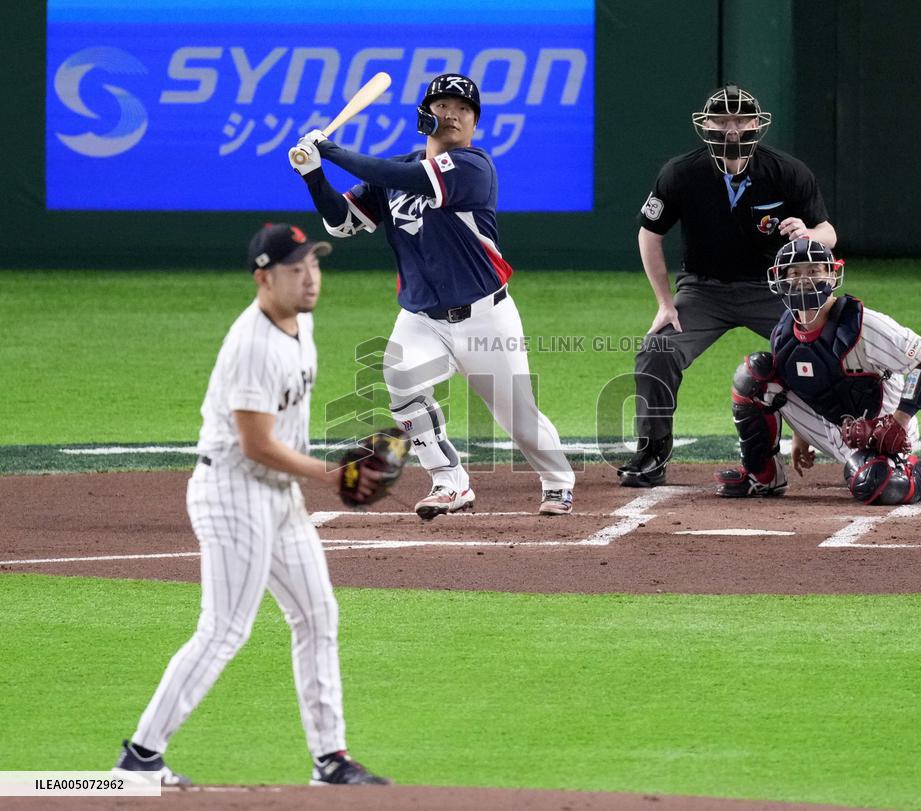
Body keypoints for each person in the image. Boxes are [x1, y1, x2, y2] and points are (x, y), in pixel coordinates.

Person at [112, 224, 390, 787]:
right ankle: (140, 758)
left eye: (314, 263)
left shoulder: (301, 323)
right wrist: (332, 471)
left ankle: (330, 759)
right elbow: (256, 443)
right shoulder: (251, 345)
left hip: (277, 494)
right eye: (295, 269)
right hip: (233, 492)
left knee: (317, 615)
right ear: (264, 278)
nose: (310, 277)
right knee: (225, 629)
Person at [288, 73, 575, 518]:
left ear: (475, 122)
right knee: (400, 380)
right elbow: (341, 222)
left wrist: (332, 150)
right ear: (425, 116)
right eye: (443, 106)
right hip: (422, 316)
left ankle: (558, 481)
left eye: (464, 109)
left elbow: (406, 175)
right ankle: (449, 481)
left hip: (485, 315)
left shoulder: (473, 166)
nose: (454, 115)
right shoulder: (395, 175)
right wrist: (313, 175)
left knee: (517, 418)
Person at [618, 84, 838, 487]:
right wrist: (666, 303)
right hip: (704, 290)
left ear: (757, 124)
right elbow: (649, 233)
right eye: (723, 120)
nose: (732, 130)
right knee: (657, 350)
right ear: (706, 125)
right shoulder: (681, 173)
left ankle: (847, 445)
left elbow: (829, 232)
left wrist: (807, 233)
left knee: (823, 351)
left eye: (741, 120)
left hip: (771, 289)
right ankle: (651, 453)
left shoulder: (786, 171)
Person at [714, 237, 921, 504]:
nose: (804, 280)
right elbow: (804, 384)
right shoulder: (784, 333)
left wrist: (900, 420)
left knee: (876, 485)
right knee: (752, 376)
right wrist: (801, 436)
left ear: (831, 275)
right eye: (794, 273)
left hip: (885, 434)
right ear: (780, 280)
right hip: (836, 429)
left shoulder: (862, 324)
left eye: (814, 271)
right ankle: (764, 476)